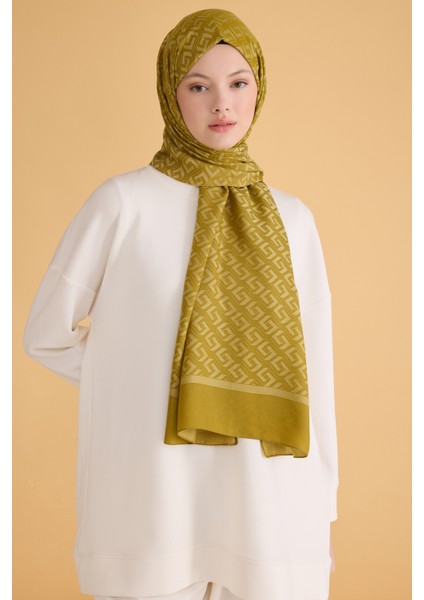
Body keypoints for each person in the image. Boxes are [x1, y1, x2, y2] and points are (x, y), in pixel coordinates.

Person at [24, 8, 338, 600]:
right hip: (154, 501)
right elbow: (47, 334)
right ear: (171, 94)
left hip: (269, 503)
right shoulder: (123, 203)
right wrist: (147, 379)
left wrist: (324, 499)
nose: (222, 104)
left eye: (238, 83)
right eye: (198, 86)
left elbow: (316, 367)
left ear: (258, 90)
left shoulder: (293, 219)